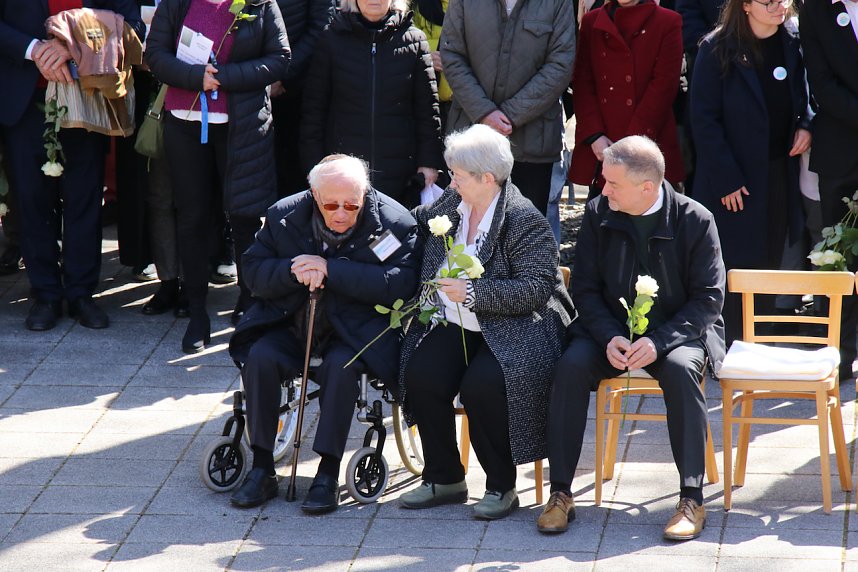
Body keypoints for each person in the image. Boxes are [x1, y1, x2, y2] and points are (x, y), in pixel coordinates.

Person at [539, 136, 725, 541]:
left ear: (647, 187)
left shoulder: (695, 220)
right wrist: (607, 336)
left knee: (680, 373)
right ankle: (560, 494)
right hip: (608, 332)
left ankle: (692, 498)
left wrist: (657, 342)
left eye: (612, 183)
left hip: (677, 335)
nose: (603, 190)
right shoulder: (598, 213)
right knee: (569, 367)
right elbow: (584, 289)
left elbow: (709, 300)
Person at [397, 124, 575, 520]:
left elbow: (536, 288)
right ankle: (444, 477)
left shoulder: (523, 218)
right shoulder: (452, 203)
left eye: (458, 176)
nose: (451, 181)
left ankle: (501, 486)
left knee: (481, 387)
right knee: (421, 373)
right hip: (457, 321)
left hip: (519, 326)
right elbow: (411, 221)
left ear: (487, 178)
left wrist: (475, 293)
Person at [228, 155, 419, 512]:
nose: (342, 213)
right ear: (313, 195)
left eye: (352, 204)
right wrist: (292, 270)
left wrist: (331, 271)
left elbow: (401, 284)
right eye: (331, 204)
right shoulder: (284, 215)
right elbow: (252, 271)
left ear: (365, 194)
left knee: (340, 367)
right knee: (261, 356)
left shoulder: (393, 223)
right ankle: (262, 465)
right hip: (292, 321)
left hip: (354, 330)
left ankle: (328, 472)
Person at [145, 0, 290, 353]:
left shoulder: (260, 4)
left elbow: (280, 58)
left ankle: (250, 301)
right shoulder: (179, 3)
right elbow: (156, 55)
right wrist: (196, 77)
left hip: (242, 127)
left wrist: (225, 77)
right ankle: (197, 313)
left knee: (244, 216)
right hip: (185, 124)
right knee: (192, 217)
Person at [0, 0, 144, 331]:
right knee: (33, 200)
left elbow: (133, 24)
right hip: (25, 101)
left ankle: (82, 293)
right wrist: (35, 49)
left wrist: (73, 45)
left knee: (84, 198)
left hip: (86, 98)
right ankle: (46, 293)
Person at [690, 0, 809, 344]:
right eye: (768, 1)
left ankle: (759, 341)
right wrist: (727, 178)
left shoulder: (793, 40)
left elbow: (806, 97)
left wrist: (805, 125)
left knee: (769, 256)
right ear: (745, 5)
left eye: (783, 0)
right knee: (733, 262)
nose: (778, 7)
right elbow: (704, 120)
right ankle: (726, 345)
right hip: (732, 179)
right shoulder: (716, 48)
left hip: (777, 171)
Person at [300, 0, 443, 208]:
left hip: (401, 174)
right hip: (342, 172)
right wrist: (314, 166)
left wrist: (429, 163)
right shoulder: (331, 38)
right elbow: (314, 111)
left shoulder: (415, 41)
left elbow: (428, 111)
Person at [440, 0, 576, 216]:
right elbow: (452, 55)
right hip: (472, 137)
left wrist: (511, 114)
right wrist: (484, 112)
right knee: (467, 227)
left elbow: (560, 64)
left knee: (525, 231)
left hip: (531, 142)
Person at [569, 0, 685, 195]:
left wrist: (629, 145)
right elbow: (582, 83)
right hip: (603, 148)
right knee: (603, 216)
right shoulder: (592, 22)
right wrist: (595, 135)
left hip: (648, 144)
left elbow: (663, 87)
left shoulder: (667, 21)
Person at [800, 0, 858, 379]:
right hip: (842, 149)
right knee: (841, 256)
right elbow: (821, 83)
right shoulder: (815, 10)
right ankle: (842, 352)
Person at [271, 0, 335, 198]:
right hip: (251, 82)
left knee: (295, 175)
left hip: (301, 89)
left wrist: (283, 74)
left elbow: (321, 25)